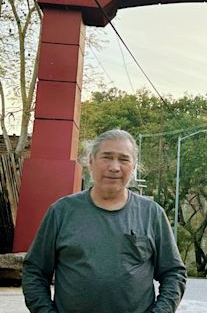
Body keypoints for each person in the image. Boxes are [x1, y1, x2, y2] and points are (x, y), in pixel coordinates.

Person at [22, 129, 187, 313]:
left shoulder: (151, 214)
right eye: (107, 157)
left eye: (124, 159)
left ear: (133, 166)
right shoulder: (61, 212)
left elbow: (173, 273)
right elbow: (34, 272)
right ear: (91, 161)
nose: (114, 167)